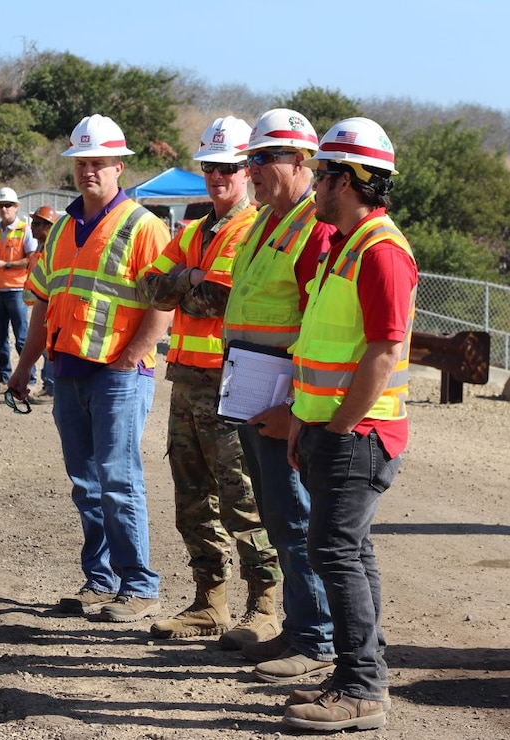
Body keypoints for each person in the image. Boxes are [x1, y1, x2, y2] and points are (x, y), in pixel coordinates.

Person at [279, 118, 417, 732]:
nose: (316, 185)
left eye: (325, 174)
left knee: (333, 550)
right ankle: (359, 672)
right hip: (332, 428)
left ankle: (362, 687)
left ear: (351, 180)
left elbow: (384, 353)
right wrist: (303, 422)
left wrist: (334, 429)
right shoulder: (346, 245)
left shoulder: (382, 253)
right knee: (350, 551)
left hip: (357, 435)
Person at [9, 114, 172, 622]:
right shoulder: (60, 230)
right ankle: (100, 580)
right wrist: (24, 367)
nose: (89, 172)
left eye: (99, 163)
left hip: (119, 374)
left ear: (118, 167)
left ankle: (139, 586)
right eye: (82, 163)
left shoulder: (144, 227)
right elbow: (43, 303)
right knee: (86, 481)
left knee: (118, 478)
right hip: (69, 372)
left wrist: (129, 357)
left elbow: (162, 307)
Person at [139, 117, 282, 643]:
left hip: (233, 383)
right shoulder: (196, 230)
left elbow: (220, 297)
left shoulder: (254, 228)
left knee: (242, 497)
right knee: (192, 498)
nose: (218, 177)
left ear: (247, 170)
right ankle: (209, 602)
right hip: (187, 382)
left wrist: (188, 283)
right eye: (210, 167)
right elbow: (148, 288)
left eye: (228, 167)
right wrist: (190, 280)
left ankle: (264, 605)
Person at [222, 108, 337, 683]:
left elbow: (318, 328)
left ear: (300, 162)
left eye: (264, 158)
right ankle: (297, 627)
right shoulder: (266, 223)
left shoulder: (315, 229)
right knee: (275, 516)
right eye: (251, 160)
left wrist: (292, 407)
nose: (254, 169)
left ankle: (316, 638)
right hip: (252, 398)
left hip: (283, 406)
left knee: (296, 519)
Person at [0, 187, 37, 394]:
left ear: (16, 207)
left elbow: (31, 258)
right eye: (0, 205)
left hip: (16, 290)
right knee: (0, 337)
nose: (4, 209)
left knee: (22, 337)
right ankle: (2, 378)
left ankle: (28, 379)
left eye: (8, 205)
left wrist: (7, 264)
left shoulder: (25, 230)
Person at [25, 205, 59, 399]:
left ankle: (51, 386)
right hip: (38, 305)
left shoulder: (52, 249)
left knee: (48, 348)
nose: (32, 227)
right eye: (33, 222)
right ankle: (49, 385)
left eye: (37, 223)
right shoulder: (40, 248)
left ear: (49, 227)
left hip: (49, 307)